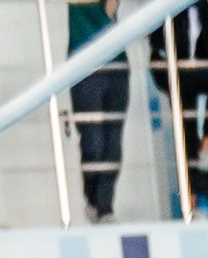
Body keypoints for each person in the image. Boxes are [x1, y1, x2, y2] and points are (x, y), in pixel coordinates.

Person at [64, 0, 126, 214]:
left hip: (116, 61)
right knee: (93, 142)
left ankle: (105, 205)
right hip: (83, 65)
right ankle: (93, 200)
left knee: (113, 143)